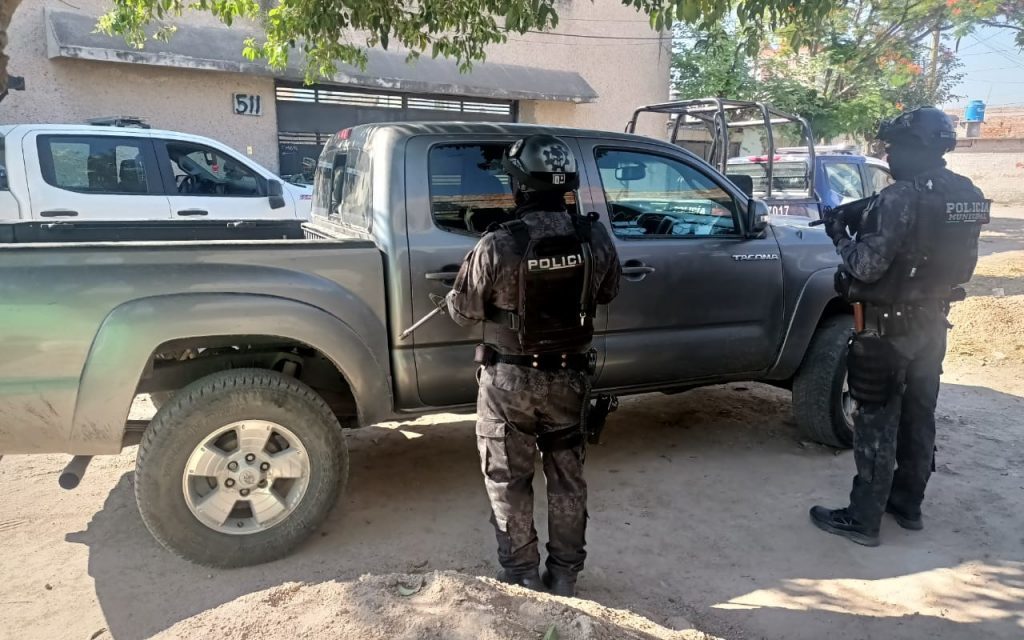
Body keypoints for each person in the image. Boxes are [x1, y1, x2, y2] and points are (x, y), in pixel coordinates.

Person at [446, 134, 621, 595]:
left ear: (519, 184)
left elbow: (464, 312)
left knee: (508, 479)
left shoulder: (498, 242)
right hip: (570, 378)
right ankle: (564, 577)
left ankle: (523, 574)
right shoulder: (594, 236)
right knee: (567, 479)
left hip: (508, 382)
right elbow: (608, 291)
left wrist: (454, 290)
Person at [810, 107, 990, 546]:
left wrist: (840, 234)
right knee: (919, 415)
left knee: (877, 419)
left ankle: (863, 518)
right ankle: (908, 505)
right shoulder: (966, 193)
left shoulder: (900, 198)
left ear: (915, 148)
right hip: (933, 322)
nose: (889, 156)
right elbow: (962, 266)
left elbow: (866, 267)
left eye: (894, 148)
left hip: (888, 332)